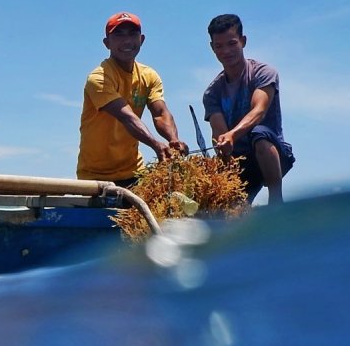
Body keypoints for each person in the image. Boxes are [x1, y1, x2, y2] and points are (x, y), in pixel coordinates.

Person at [77, 12, 187, 185]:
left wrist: (173, 140)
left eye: (132, 34)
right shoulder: (99, 77)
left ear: (141, 39)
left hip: (135, 171)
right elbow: (126, 117)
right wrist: (155, 144)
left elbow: (160, 113)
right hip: (95, 176)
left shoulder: (149, 75)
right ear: (107, 43)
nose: (127, 40)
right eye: (119, 34)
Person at [200, 14, 295, 205]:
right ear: (212, 48)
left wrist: (232, 135)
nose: (226, 51)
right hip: (239, 163)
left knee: (258, 135)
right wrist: (224, 145)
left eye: (232, 43)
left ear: (243, 41)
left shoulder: (264, 72)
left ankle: (276, 202)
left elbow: (258, 111)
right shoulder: (211, 93)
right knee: (228, 209)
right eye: (219, 46)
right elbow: (219, 133)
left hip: (272, 153)